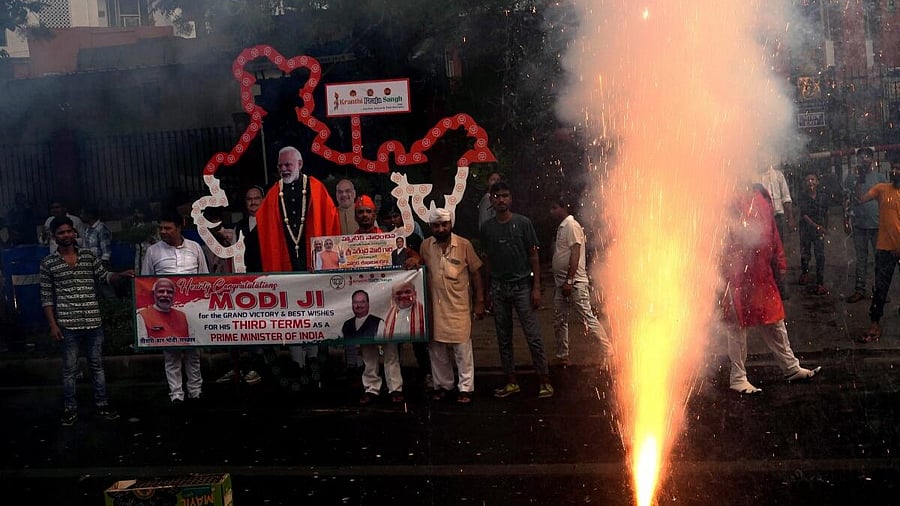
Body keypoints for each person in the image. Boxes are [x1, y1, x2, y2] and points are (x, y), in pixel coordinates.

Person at [722, 185, 820, 394]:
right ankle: (737, 377)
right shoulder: (726, 196)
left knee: (775, 322)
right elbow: (720, 236)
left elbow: (772, 231)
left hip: (761, 273)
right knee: (737, 325)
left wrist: (780, 262)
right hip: (737, 273)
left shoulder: (761, 194)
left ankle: (791, 367)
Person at [39, 216, 133, 426]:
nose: (66, 235)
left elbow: (104, 276)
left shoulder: (89, 256)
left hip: (93, 322)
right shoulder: (48, 263)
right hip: (67, 324)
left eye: (69, 231)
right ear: (55, 237)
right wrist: (53, 325)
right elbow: (46, 297)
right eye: (61, 233)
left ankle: (102, 404)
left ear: (74, 232)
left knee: (97, 366)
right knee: (69, 369)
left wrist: (121, 275)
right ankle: (70, 408)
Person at [256, 146, 341, 369]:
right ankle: (296, 361)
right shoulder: (274, 193)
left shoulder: (316, 188)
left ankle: (313, 357)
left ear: (300, 164)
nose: (284, 169)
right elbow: (262, 223)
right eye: (280, 166)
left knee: (313, 310)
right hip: (286, 262)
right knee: (291, 312)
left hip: (311, 262)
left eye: (288, 165)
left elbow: (331, 220)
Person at [480, 181, 553, 399]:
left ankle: (544, 381)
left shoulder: (523, 223)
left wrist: (536, 287)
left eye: (505, 195)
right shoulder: (487, 228)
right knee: (503, 337)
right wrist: (487, 292)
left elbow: (534, 256)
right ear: (491, 200)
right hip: (499, 287)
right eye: (497, 196)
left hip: (522, 287)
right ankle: (511, 381)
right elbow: (487, 260)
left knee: (533, 335)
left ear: (510, 199)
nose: (501, 200)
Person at [353, 195, 421, 404]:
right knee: (367, 347)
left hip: (385, 301)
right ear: (356, 216)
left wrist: (416, 258)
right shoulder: (349, 242)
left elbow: (411, 255)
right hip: (364, 301)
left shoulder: (388, 238)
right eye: (360, 212)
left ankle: (395, 388)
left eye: (368, 212)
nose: (364, 215)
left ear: (374, 214)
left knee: (390, 346)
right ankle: (371, 387)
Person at [141, 210, 210, 406]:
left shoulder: (195, 248)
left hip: (192, 311)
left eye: (167, 228)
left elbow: (205, 279)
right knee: (171, 354)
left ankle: (195, 392)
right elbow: (147, 283)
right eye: (160, 228)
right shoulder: (153, 251)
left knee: (193, 353)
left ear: (180, 227)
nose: (163, 231)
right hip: (165, 311)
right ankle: (176, 395)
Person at [421, 208, 485, 404]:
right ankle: (443, 386)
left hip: (459, 306)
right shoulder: (425, 245)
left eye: (444, 224)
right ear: (430, 227)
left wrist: (480, 301)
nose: (441, 228)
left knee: (462, 348)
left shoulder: (464, 244)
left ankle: (466, 388)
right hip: (435, 307)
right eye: (436, 225)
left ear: (451, 225)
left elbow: (476, 273)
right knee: (437, 348)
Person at [548, 195, 613, 368]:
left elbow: (575, 253)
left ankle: (608, 352)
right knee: (559, 319)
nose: (552, 212)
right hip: (562, 283)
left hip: (574, 283)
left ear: (563, 207)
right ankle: (562, 355)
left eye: (555, 208)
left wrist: (570, 279)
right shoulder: (563, 227)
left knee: (587, 318)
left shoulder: (571, 225)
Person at [856, 165, 900, 343]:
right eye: (895, 169)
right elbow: (860, 199)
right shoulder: (882, 188)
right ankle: (874, 324)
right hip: (884, 248)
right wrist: (860, 180)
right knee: (880, 288)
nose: (896, 172)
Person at [341, 289, 398, 405]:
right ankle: (371, 389)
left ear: (368, 304)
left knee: (391, 354)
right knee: (368, 358)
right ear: (351, 304)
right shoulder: (347, 324)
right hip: (366, 344)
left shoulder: (379, 322)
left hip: (384, 334)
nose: (359, 305)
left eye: (362, 302)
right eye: (356, 302)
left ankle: (395, 389)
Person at [844, 147, 886, 303]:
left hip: (877, 225)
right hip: (859, 225)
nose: (865, 159)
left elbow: (885, 201)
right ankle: (860, 289)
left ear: (872, 159)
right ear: (858, 159)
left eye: (868, 156)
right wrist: (845, 219)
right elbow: (847, 199)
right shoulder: (851, 178)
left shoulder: (880, 178)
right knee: (861, 259)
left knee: (879, 260)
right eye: (862, 156)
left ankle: (880, 292)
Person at [755, 164, 794, 300]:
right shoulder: (754, 176)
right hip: (760, 220)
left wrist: (790, 218)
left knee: (778, 254)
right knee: (763, 254)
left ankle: (781, 288)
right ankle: (766, 290)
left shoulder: (778, 175)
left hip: (776, 218)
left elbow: (786, 198)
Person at [797, 171, 829, 295]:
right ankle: (805, 273)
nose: (810, 182)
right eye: (808, 180)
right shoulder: (802, 196)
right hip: (806, 229)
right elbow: (804, 215)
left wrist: (825, 227)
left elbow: (826, 213)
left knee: (820, 256)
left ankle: (820, 282)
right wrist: (817, 227)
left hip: (819, 230)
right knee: (805, 253)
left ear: (817, 182)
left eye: (813, 179)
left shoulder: (823, 197)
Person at [136, 278, 190, 343]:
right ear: (154, 294)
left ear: (174, 295)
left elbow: (190, 340)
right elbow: (142, 343)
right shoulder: (142, 316)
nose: (165, 295)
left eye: (169, 292)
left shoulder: (182, 316)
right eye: (161, 291)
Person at [234, 185, 264, 273]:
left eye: (257, 198)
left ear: (263, 200)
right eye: (249, 199)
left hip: (267, 276)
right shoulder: (240, 225)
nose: (253, 202)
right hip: (246, 277)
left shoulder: (271, 223)